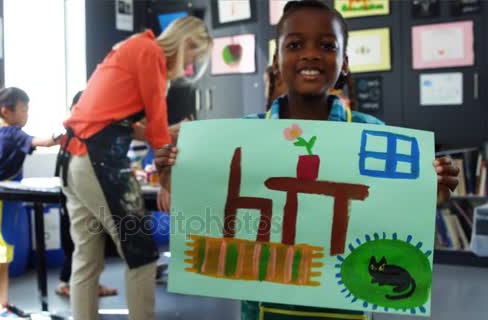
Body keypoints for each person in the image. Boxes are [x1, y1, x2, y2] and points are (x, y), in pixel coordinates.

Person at [154, 1, 459, 319]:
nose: (311, 54)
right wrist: (175, 180)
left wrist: (428, 196)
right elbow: (213, 208)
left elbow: (391, 215)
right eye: (295, 44)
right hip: (264, 310)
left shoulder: (373, 134)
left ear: (344, 63)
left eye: (327, 45)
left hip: (346, 308)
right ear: (277, 59)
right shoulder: (242, 135)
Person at [60, 16, 212, 320]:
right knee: (141, 255)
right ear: (186, 44)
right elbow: (155, 125)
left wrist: (170, 131)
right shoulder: (151, 53)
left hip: (70, 158)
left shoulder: (133, 47)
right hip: (98, 161)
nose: (192, 63)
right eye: (195, 54)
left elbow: (121, 124)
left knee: (86, 259)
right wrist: (168, 181)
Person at [0, 87, 61, 318]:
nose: (27, 114)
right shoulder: (14, 133)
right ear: (6, 111)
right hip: (2, 202)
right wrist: (62, 135)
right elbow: (43, 142)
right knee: (2, 254)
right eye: (23, 109)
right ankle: (2, 306)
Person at [55, 91, 118, 298]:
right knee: (78, 246)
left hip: (84, 193)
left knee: (90, 248)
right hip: (72, 196)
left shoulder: (87, 136)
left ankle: (90, 285)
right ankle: (65, 282)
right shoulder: (73, 137)